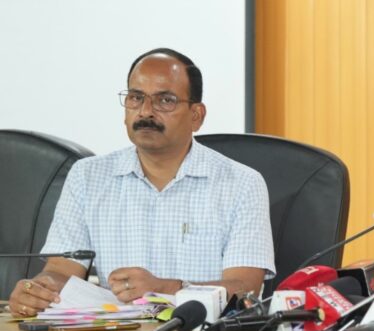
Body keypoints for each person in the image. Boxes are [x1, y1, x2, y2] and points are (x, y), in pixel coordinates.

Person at [8, 48, 274, 317]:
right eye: (136, 98)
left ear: (196, 115)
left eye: (165, 100)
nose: (146, 111)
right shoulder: (87, 177)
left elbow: (245, 288)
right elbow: (61, 271)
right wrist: (40, 290)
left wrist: (165, 289)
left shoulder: (241, 184)